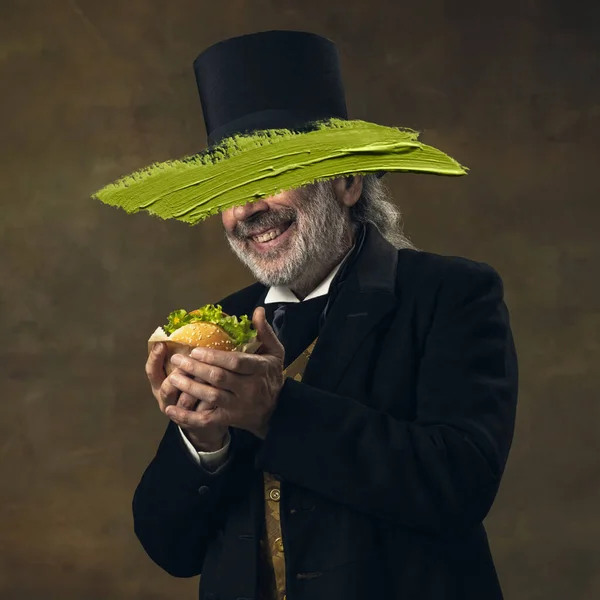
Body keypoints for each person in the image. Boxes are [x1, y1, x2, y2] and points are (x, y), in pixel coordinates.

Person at [123, 31, 517, 600]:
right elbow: (170, 549)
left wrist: (275, 411)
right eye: (230, 188)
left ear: (348, 181)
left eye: (270, 175)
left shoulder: (451, 293)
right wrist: (204, 443)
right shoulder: (224, 322)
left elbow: (459, 484)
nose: (248, 210)